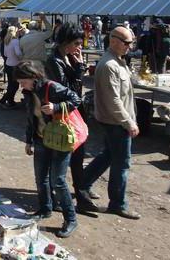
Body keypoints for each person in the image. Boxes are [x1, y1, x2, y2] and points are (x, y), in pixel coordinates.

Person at [78, 27, 141, 219]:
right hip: (115, 122)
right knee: (122, 163)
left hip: (115, 120)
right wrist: (128, 122)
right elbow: (113, 100)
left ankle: (82, 184)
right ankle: (117, 203)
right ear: (113, 40)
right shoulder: (109, 65)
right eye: (126, 43)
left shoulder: (117, 61)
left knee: (108, 156)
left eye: (131, 43)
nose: (129, 47)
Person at [18, 60, 81, 238]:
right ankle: (45, 209)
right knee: (41, 177)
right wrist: (28, 141)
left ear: (33, 77)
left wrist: (57, 107)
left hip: (60, 139)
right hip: (40, 139)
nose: (21, 85)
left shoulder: (52, 87)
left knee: (58, 180)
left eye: (23, 81)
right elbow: (31, 118)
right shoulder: (29, 93)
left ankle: (71, 219)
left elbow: (76, 99)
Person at [45, 23, 100, 212]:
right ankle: (57, 197)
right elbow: (66, 91)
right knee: (61, 158)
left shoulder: (67, 58)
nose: (80, 47)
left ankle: (82, 195)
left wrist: (77, 67)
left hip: (74, 114)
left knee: (78, 157)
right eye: (77, 42)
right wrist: (79, 70)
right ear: (66, 42)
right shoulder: (54, 60)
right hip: (61, 115)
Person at [0, 26, 21, 108]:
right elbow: (18, 53)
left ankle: (10, 101)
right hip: (14, 65)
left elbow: (5, 54)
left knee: (11, 85)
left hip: (8, 64)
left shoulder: (6, 41)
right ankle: (4, 100)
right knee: (15, 86)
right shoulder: (15, 41)